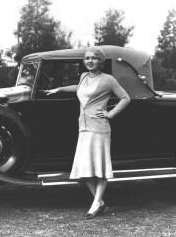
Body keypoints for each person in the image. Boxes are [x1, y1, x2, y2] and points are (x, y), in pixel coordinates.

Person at [45, 47, 131, 219]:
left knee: (100, 167)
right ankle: (99, 202)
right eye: (87, 58)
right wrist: (59, 89)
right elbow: (79, 88)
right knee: (84, 169)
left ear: (100, 61)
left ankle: (97, 202)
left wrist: (110, 113)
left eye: (94, 58)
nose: (90, 61)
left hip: (99, 127)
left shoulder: (108, 79)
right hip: (83, 127)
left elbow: (125, 98)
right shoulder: (83, 76)